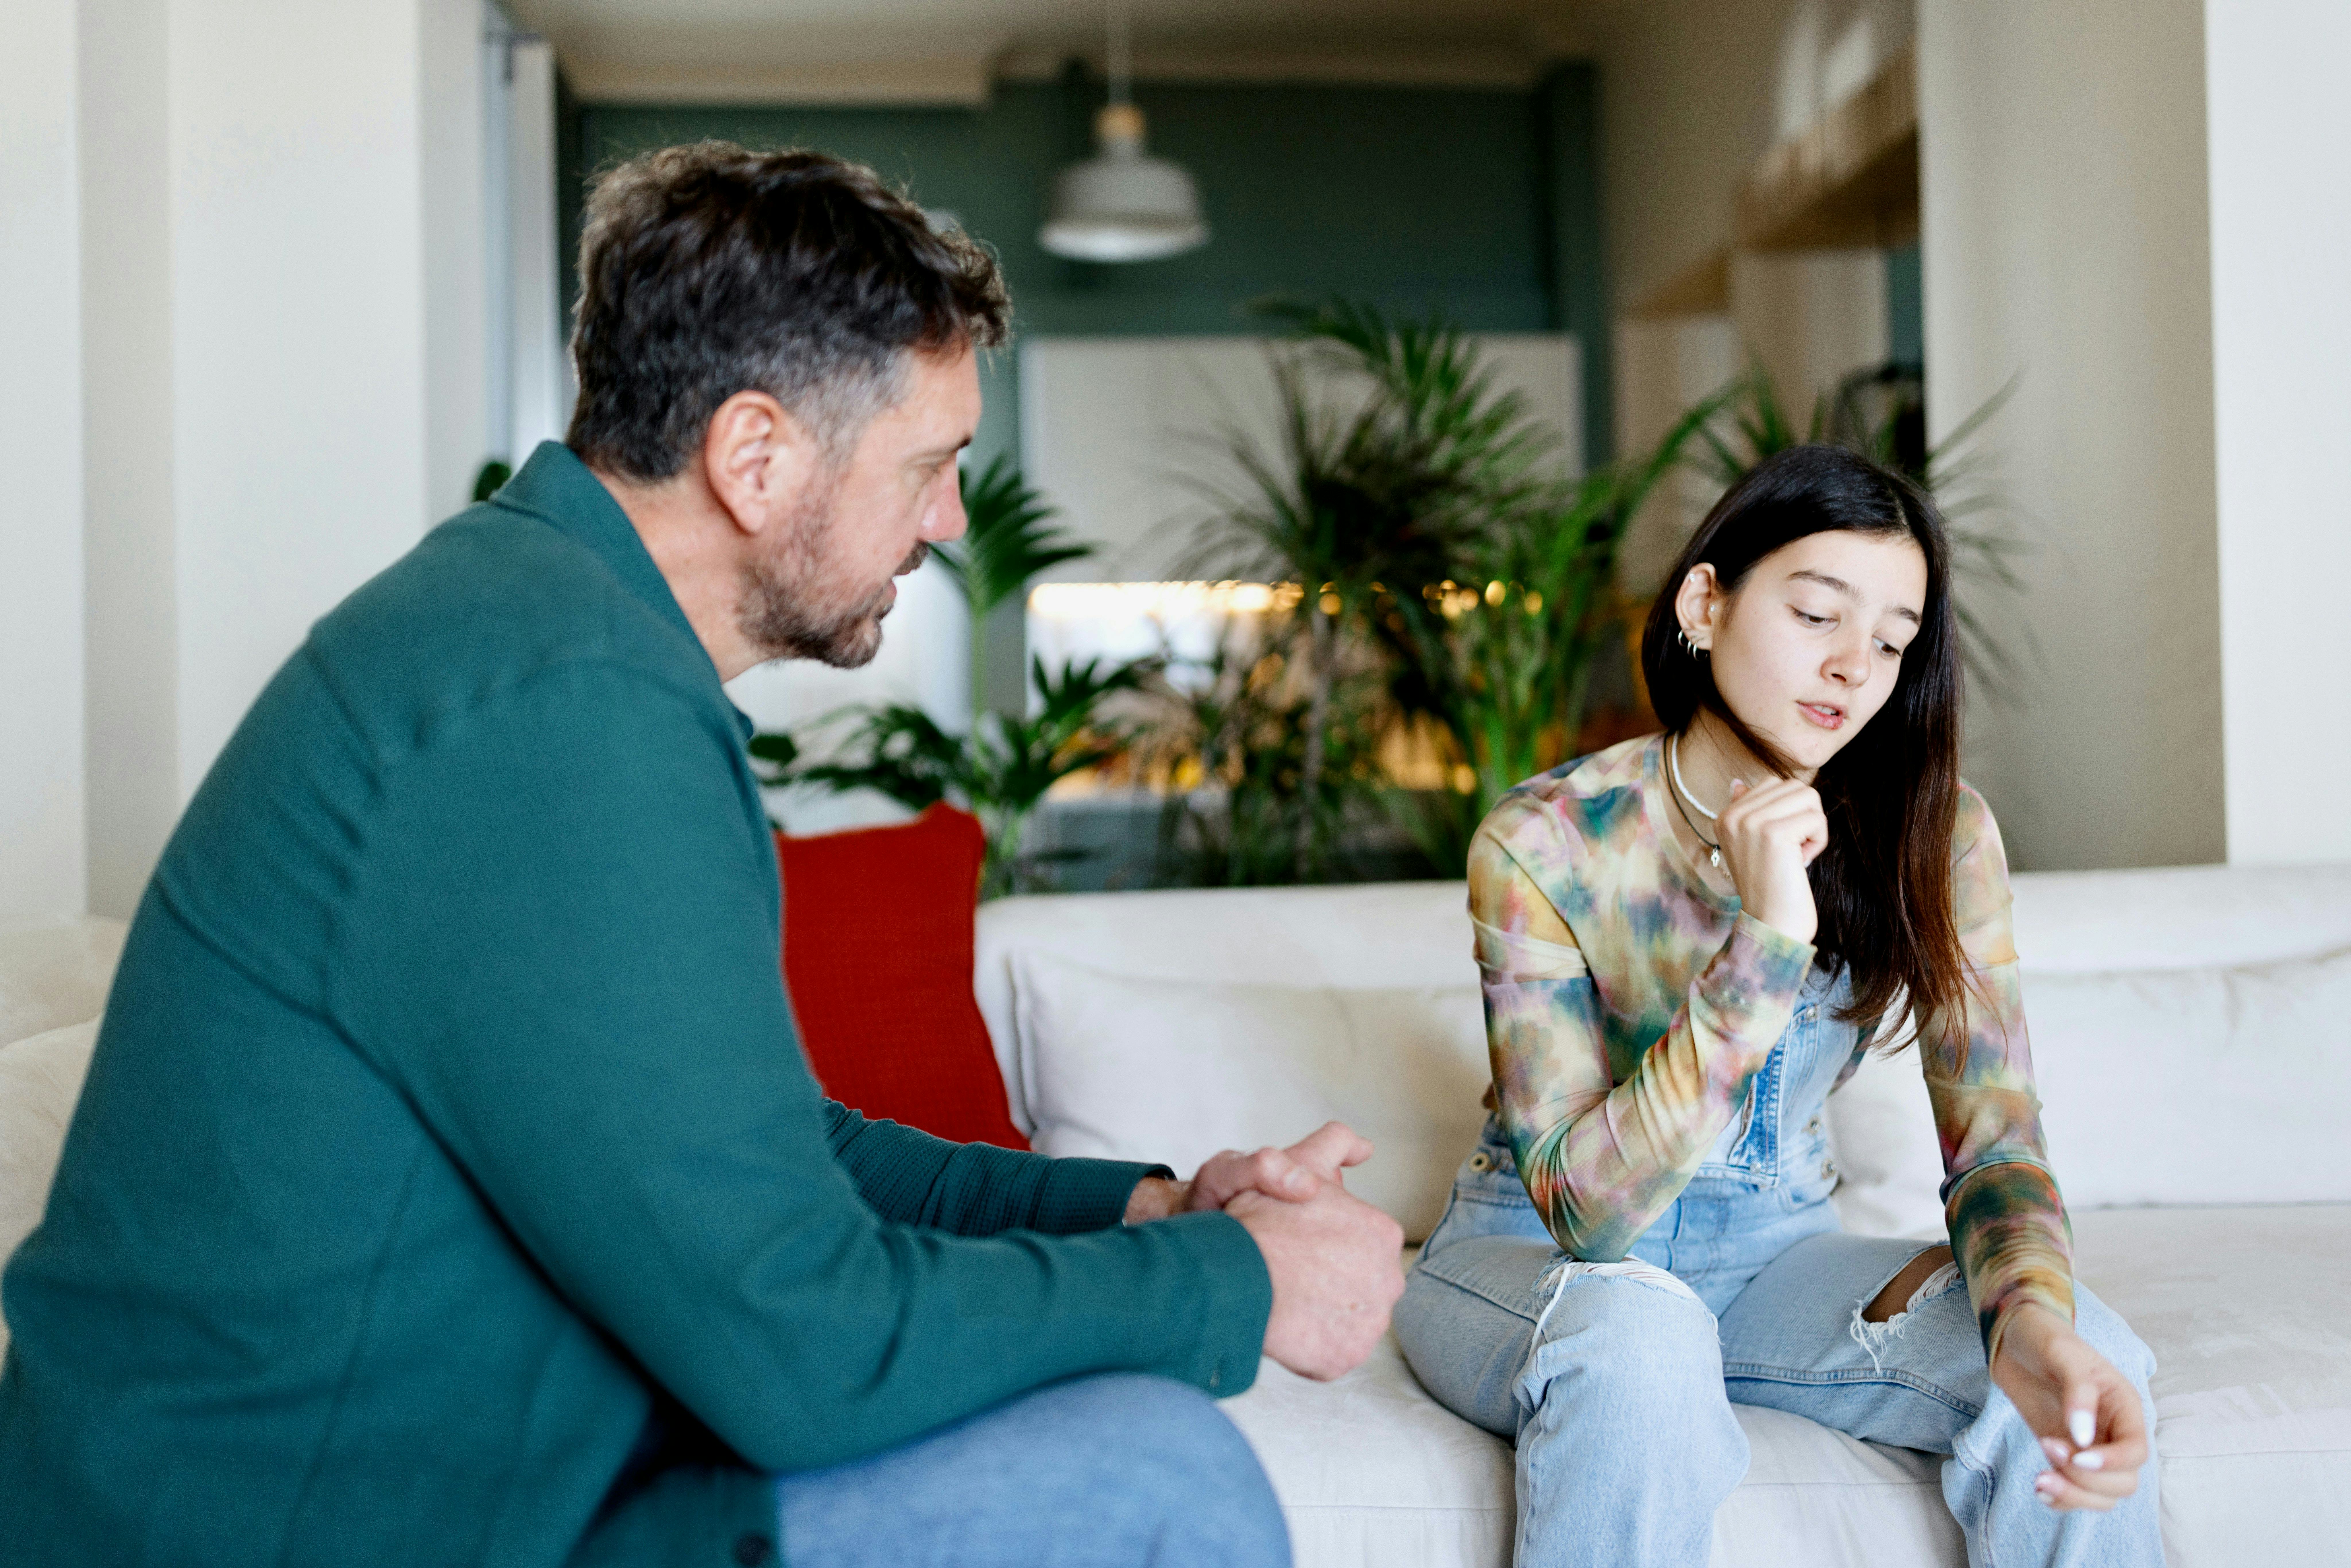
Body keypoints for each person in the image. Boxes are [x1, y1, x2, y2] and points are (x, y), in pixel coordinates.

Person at [0, 142, 1405, 1568]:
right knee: (1148, 1478)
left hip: (446, 1478)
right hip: (303, 1526)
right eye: (928, 464)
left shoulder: (550, 644)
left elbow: (789, 1153)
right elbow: (800, 1345)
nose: (948, 519)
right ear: (753, 455)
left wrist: (1145, 1208)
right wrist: (1234, 1281)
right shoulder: (555, 710)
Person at [1393, 444, 2162, 1567]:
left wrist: (2029, 1313)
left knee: (2075, 1346)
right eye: (1815, 614)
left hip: (1770, 1263)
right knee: (1638, 1336)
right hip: (1534, 1260)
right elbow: (1587, 1215)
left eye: (1891, 641)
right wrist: (1764, 943)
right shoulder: (1548, 837)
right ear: (1704, 602)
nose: (1853, 667)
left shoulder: (1934, 836)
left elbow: (1994, 1138)